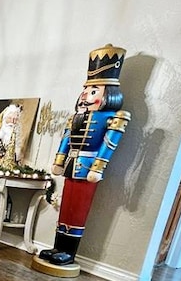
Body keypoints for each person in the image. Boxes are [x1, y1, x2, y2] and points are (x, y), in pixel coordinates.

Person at [38, 44, 131, 267]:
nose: (86, 96)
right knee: (66, 207)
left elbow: (108, 144)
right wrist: (59, 161)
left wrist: (97, 168)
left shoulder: (113, 118)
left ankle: (69, 252)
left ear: (108, 94)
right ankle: (57, 246)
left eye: (93, 91)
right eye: (86, 90)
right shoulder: (77, 117)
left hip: (88, 167)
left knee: (78, 211)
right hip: (72, 165)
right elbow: (66, 140)